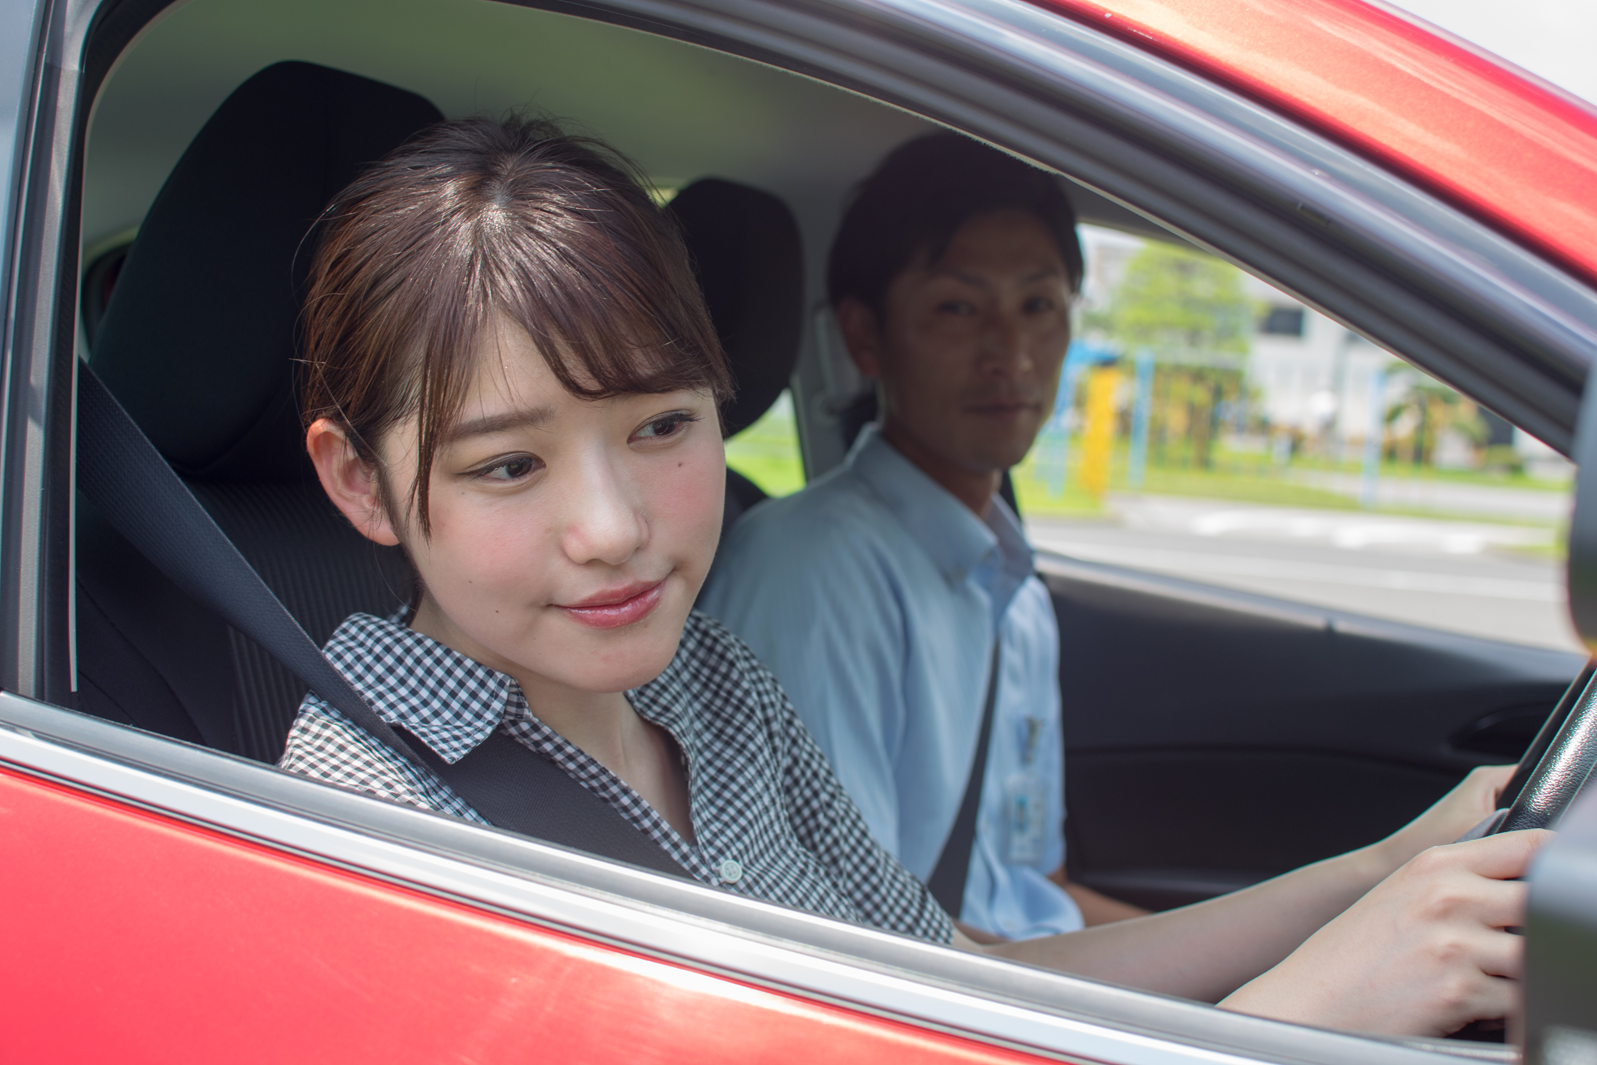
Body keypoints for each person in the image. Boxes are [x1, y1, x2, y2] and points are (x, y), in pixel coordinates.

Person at [277, 115, 1545, 1038]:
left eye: (662, 427)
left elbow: (959, 989)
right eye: (508, 468)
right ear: (361, 484)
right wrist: (1315, 1005)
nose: (611, 531)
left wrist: (1372, 880)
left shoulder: (707, 688)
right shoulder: (361, 817)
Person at [700, 133, 1139, 939]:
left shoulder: (1018, 597)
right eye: (957, 307)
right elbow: (847, 940)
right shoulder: (816, 574)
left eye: (1038, 306)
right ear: (866, 338)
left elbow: (1034, 885)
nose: (1010, 356)